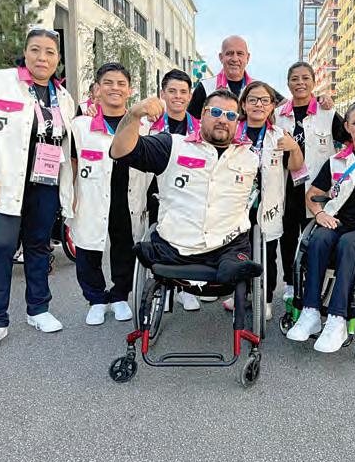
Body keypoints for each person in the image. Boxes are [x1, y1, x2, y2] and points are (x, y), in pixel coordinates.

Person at [0, 27, 75, 353]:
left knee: (38, 246)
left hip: (45, 183)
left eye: (50, 52)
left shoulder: (64, 98)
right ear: (25, 53)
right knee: (0, 246)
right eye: (35, 50)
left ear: (58, 59)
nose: (42, 57)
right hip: (2, 182)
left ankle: (38, 309)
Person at [109, 89, 262, 294]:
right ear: (202, 115)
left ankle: (234, 268)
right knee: (154, 251)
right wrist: (134, 114)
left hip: (227, 245)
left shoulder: (250, 158)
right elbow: (120, 151)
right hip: (176, 244)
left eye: (230, 115)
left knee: (236, 263)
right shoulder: (172, 145)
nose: (223, 120)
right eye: (216, 112)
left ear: (237, 122)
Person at [286, 102, 355, 352]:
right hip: (340, 220)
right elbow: (312, 194)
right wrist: (319, 213)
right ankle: (311, 311)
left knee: (348, 243)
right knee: (319, 239)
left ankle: (337, 319)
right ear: (347, 127)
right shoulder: (337, 161)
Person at [69, 63, 149, 325]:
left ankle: (119, 296)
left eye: (121, 84)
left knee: (125, 245)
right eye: (108, 83)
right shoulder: (80, 126)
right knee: (87, 246)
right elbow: (71, 162)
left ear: (130, 91)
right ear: (97, 89)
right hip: (91, 196)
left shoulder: (142, 127)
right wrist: (69, 194)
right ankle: (95, 299)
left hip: (128, 197)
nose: (115, 88)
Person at [221, 81, 304, 320]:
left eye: (264, 100)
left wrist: (294, 148)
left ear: (272, 106)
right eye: (253, 100)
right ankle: (240, 293)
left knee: (267, 253)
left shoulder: (279, 135)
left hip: (267, 204)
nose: (259, 104)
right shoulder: (232, 130)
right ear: (244, 105)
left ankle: (265, 299)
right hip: (235, 203)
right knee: (236, 251)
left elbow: (296, 168)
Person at [276, 62, 348, 302]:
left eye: (305, 78)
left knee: (314, 241)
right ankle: (290, 283)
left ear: (313, 82)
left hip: (317, 190)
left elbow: (349, 141)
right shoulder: (278, 115)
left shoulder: (327, 113)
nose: (300, 83)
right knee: (288, 239)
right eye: (295, 79)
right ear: (288, 83)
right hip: (287, 188)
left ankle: (311, 283)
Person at [141, 68, 203, 310]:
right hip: (155, 190)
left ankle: (185, 288)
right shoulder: (148, 123)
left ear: (190, 96)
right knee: (159, 239)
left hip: (188, 192)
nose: (178, 96)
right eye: (172, 91)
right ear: (162, 94)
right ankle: (161, 285)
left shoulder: (199, 127)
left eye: (183, 92)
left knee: (187, 240)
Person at [186, 35, 284, 118]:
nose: (235, 59)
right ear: (221, 57)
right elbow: (191, 122)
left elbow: (285, 105)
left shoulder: (259, 88)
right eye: (229, 53)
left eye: (240, 54)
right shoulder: (205, 87)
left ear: (247, 58)